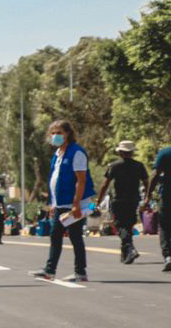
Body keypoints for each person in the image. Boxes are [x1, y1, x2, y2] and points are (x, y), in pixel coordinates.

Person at [30, 120, 94, 282]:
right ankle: (51, 270)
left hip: (73, 204)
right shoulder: (57, 155)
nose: (55, 136)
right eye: (53, 133)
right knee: (57, 236)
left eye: (59, 132)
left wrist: (76, 204)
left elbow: (81, 180)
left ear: (68, 134)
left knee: (73, 237)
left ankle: (77, 272)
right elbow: (55, 180)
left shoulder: (77, 152)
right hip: (60, 204)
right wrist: (53, 203)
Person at [96, 140, 148, 264]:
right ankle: (126, 254)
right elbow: (147, 183)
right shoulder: (139, 165)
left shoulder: (114, 165)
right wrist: (147, 198)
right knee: (128, 225)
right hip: (133, 200)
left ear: (120, 152)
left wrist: (99, 200)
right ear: (132, 153)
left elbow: (105, 184)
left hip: (118, 200)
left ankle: (130, 249)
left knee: (120, 226)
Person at [142, 140, 171, 272]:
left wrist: (148, 196)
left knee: (164, 226)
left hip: (167, 196)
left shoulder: (165, 153)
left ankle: (168, 256)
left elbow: (155, 175)